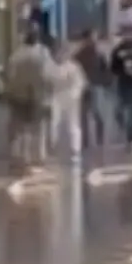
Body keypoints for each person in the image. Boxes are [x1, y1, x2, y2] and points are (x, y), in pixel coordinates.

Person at [3, 26, 52, 172]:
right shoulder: (44, 53)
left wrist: (9, 92)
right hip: (38, 96)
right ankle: (38, 157)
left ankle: (19, 158)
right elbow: (49, 76)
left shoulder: (17, 54)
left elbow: (9, 76)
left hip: (18, 96)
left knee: (18, 129)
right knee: (38, 128)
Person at [47, 43, 86, 173]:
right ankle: (53, 148)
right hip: (56, 97)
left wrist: (74, 95)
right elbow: (46, 82)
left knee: (73, 124)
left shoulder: (74, 67)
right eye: (58, 53)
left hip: (70, 98)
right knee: (54, 124)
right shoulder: (50, 67)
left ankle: (75, 151)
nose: (60, 56)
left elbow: (80, 83)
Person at [73, 29, 111, 151]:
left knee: (94, 114)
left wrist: (105, 83)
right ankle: (88, 141)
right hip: (87, 87)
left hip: (91, 86)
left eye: (94, 38)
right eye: (91, 38)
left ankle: (94, 140)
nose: (93, 41)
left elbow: (105, 70)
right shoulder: (80, 55)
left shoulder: (96, 54)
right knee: (88, 115)